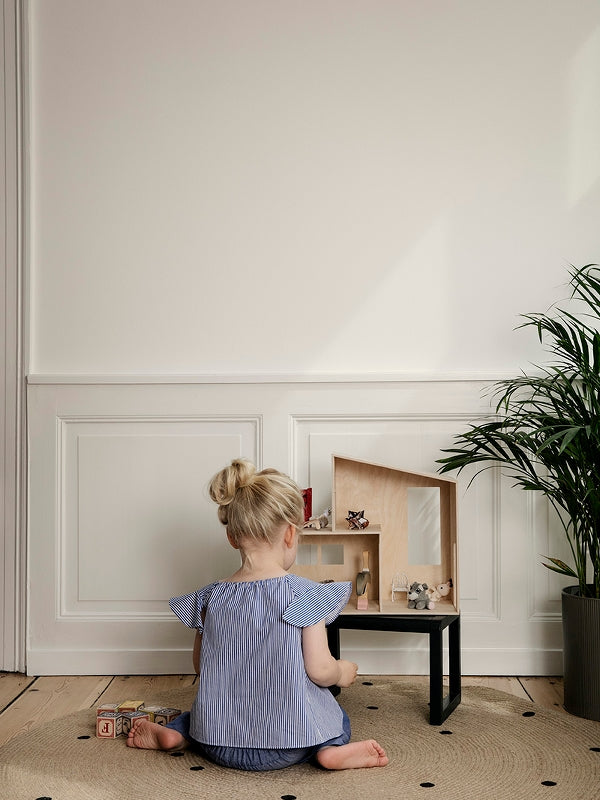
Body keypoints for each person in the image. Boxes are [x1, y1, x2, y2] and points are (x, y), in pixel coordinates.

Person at [127, 458, 389, 771]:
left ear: (232, 537)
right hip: (289, 744)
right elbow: (320, 670)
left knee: (194, 716)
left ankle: (177, 734)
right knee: (333, 712)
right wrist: (342, 672)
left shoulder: (211, 598)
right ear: (290, 534)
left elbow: (201, 665)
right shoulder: (304, 595)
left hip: (217, 743)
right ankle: (329, 749)